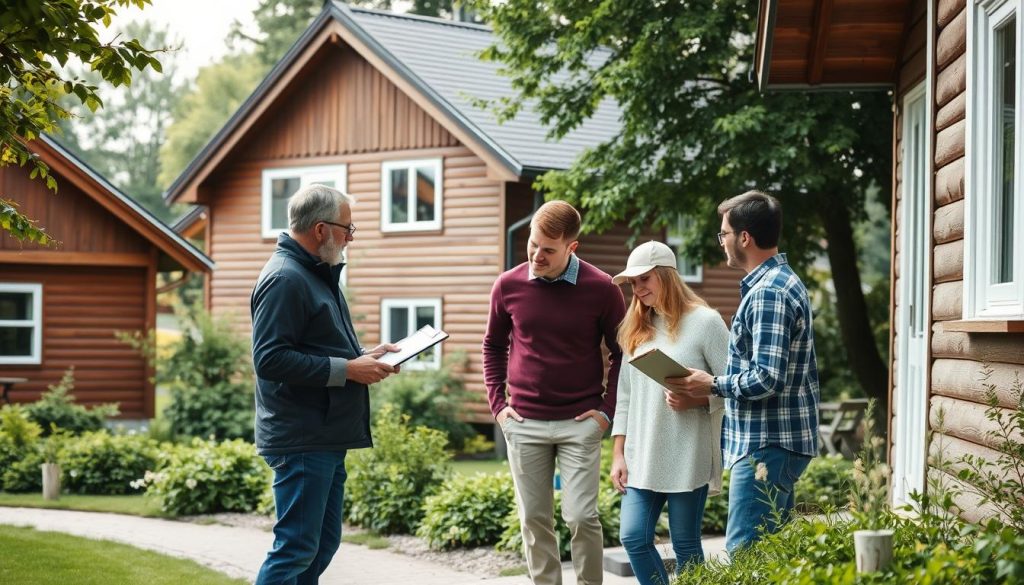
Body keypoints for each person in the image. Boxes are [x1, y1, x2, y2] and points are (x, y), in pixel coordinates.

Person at [251, 184, 400, 584]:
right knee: (296, 548)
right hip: (302, 436)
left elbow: (317, 345)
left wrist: (367, 356)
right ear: (321, 229)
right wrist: (349, 370)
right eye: (348, 228)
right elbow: (269, 359)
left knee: (321, 544)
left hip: (324, 433)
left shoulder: (315, 273)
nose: (351, 237)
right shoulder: (285, 279)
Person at [483, 200, 626, 585]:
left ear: (572, 247)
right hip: (524, 421)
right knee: (534, 519)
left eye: (548, 249)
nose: (536, 255)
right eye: (533, 244)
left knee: (581, 517)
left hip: (580, 422)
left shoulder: (602, 289)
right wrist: (499, 406)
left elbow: (622, 354)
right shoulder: (508, 285)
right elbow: (493, 347)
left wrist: (605, 412)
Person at [670, 190, 819, 554]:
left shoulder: (769, 292)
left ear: (744, 237)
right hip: (772, 443)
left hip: (765, 444)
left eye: (723, 233)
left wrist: (712, 384)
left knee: (746, 555)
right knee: (771, 556)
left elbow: (768, 376)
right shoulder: (779, 282)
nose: (721, 241)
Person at [608, 241, 730, 585]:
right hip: (642, 454)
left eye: (645, 279)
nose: (638, 289)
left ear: (666, 275)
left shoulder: (706, 323)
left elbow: (734, 388)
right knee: (633, 537)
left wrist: (697, 400)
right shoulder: (635, 328)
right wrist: (618, 453)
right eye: (633, 283)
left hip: (688, 453)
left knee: (686, 545)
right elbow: (626, 397)